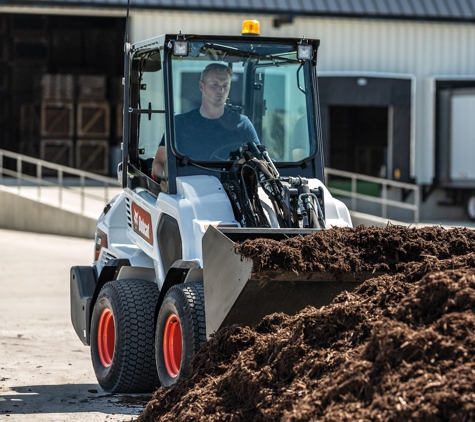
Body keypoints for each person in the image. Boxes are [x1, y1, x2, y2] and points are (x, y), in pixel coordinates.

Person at [152, 63, 259, 180]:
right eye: (215, 85)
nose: (221, 90)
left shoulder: (242, 124)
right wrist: (174, 180)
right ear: (201, 86)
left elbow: (260, 163)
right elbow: (158, 164)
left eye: (225, 86)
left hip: (232, 193)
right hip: (188, 193)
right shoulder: (179, 124)